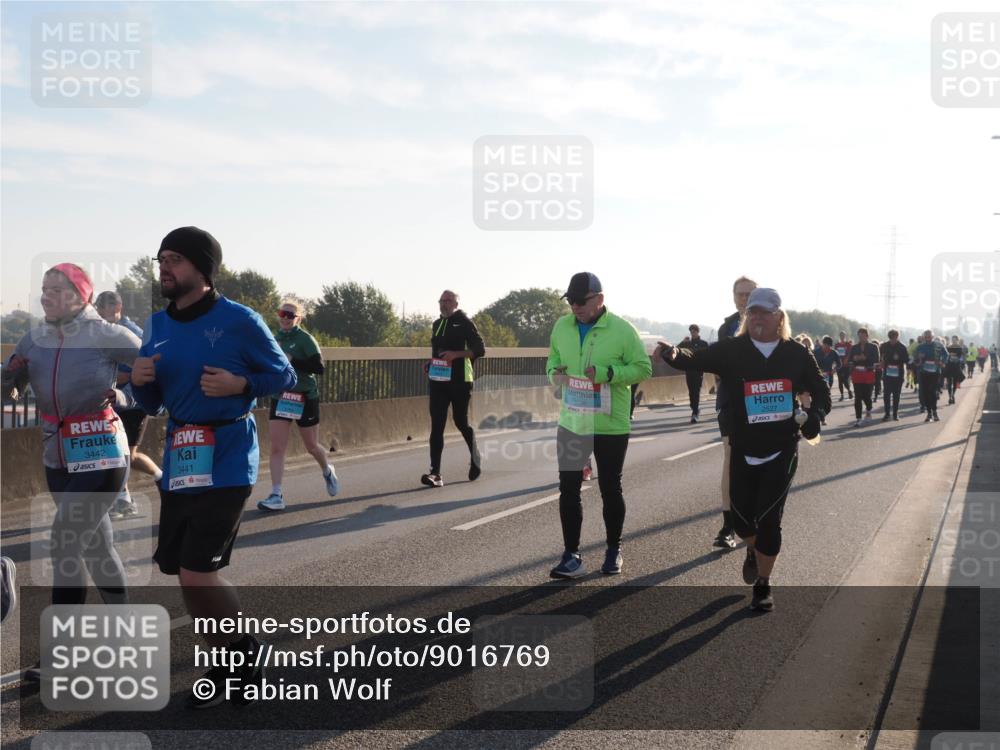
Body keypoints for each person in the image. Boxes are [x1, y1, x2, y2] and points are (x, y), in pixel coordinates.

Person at [131, 227, 296, 708]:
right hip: (182, 454)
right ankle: (227, 663)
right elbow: (154, 401)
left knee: (198, 570)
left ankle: (245, 652)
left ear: (203, 270)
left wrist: (241, 384)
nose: (165, 266)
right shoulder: (156, 326)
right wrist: (140, 383)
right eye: (161, 258)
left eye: (176, 259)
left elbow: (283, 374)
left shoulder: (240, 320)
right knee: (184, 572)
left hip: (227, 457)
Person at [2, 264, 141, 680]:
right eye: (44, 289)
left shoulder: (109, 335)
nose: (46, 296)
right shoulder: (34, 337)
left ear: (81, 295)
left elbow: (158, 378)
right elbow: (13, 379)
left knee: (64, 543)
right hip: (56, 454)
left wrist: (122, 394)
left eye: (57, 290)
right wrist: (10, 379)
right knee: (97, 548)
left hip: (102, 451)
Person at [655, 288, 829, 611]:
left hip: (782, 449)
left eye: (765, 312)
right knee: (742, 522)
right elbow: (698, 358)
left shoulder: (796, 354)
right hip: (743, 447)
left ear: (780, 317)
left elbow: (821, 391)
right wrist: (674, 354)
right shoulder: (734, 350)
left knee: (769, 520)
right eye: (753, 312)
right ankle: (752, 548)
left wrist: (815, 416)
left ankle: (763, 584)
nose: (758, 317)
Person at [547, 272, 651, 578]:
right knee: (568, 488)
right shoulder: (562, 326)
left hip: (609, 422)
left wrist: (607, 373)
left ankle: (613, 549)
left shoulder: (621, 330)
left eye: (581, 301)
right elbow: (551, 360)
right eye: (571, 301)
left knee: (609, 486)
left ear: (599, 299)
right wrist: (555, 373)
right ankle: (571, 555)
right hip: (572, 419)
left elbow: (642, 368)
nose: (575, 307)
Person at [258, 300, 338, 511]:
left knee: (311, 446)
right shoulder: (274, 339)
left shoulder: (305, 339)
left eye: (290, 315)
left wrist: (292, 360)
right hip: (281, 396)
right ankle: (276, 494)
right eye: (282, 313)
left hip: (304, 397)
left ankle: (327, 470)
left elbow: (319, 368)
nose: (285, 317)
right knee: (277, 448)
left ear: (298, 318)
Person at [94, 291, 164, 520]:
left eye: (101, 308)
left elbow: (150, 363)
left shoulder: (131, 333)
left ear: (116, 306)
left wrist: (127, 378)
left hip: (133, 404)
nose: (98, 313)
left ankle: (124, 500)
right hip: (117, 405)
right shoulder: (108, 333)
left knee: (123, 453)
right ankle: (160, 480)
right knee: (122, 453)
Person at [421, 290, 486, 488]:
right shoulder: (436, 324)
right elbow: (437, 351)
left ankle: (475, 456)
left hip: (460, 380)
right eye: (442, 300)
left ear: (456, 304)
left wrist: (456, 355)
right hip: (438, 381)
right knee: (437, 425)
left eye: (448, 301)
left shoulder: (464, 321)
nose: (444, 304)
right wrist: (430, 363)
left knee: (460, 421)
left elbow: (480, 349)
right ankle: (435, 473)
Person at [712, 275, 758, 550]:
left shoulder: (771, 323)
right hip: (732, 403)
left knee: (759, 463)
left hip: (763, 403)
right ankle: (728, 527)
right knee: (730, 461)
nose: (745, 298)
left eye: (750, 294)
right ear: (733, 296)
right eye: (740, 294)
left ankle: (754, 518)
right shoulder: (726, 327)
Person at [848, 328, 880, 427]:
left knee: (867, 396)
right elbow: (850, 360)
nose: (861, 338)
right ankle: (858, 418)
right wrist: (855, 358)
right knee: (857, 397)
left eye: (863, 336)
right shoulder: (854, 347)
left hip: (868, 373)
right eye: (859, 336)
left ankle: (869, 410)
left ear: (867, 336)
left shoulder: (873, 347)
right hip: (857, 373)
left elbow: (876, 360)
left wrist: (865, 358)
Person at [914, 330, 946, 423]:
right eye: (926, 336)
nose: (928, 338)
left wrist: (942, 362)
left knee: (933, 392)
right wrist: (919, 358)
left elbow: (946, 354)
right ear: (924, 337)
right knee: (926, 393)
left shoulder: (938, 345)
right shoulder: (920, 347)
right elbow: (915, 358)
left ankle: (935, 411)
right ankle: (929, 413)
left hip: (935, 372)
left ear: (932, 336)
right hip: (924, 372)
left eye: (929, 336)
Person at [680, 324, 709, 423]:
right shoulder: (687, 343)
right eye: (691, 331)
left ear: (698, 331)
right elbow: (676, 350)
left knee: (696, 391)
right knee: (691, 392)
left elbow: (708, 356)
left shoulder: (703, 343)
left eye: (694, 331)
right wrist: (683, 341)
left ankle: (695, 413)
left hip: (699, 371)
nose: (693, 333)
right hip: (689, 371)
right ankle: (694, 408)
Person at [879, 330, 909, 421]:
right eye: (891, 338)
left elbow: (906, 360)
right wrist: (881, 362)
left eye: (895, 338)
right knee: (886, 394)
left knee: (896, 395)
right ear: (889, 337)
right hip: (887, 374)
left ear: (898, 337)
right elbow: (879, 358)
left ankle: (895, 414)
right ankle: (887, 413)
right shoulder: (883, 346)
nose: (893, 340)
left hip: (898, 375)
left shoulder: (902, 347)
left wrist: (902, 361)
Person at [813, 336, 840, 425]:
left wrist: (834, 370)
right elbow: (810, 364)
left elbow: (839, 364)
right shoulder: (816, 352)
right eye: (825, 345)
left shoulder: (833, 353)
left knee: (825, 398)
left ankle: (822, 415)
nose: (827, 348)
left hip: (829, 377)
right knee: (818, 397)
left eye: (829, 346)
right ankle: (821, 417)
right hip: (817, 378)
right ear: (822, 344)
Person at [943, 335, 966, 405]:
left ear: (957, 340)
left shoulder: (959, 348)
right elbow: (946, 355)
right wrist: (952, 356)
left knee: (956, 382)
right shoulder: (949, 347)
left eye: (955, 339)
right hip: (949, 366)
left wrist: (956, 358)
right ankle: (950, 397)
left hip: (956, 366)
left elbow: (961, 357)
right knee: (950, 383)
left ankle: (953, 395)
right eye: (952, 339)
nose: (953, 340)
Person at [834, 331, 854, 402]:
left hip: (846, 365)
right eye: (841, 335)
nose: (842, 336)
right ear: (839, 336)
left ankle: (849, 390)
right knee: (840, 380)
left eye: (843, 335)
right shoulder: (837, 345)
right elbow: (835, 354)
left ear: (845, 336)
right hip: (839, 365)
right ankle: (842, 395)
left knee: (845, 379)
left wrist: (847, 359)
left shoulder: (848, 344)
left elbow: (850, 353)